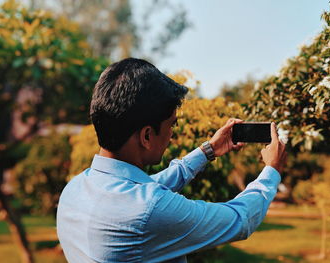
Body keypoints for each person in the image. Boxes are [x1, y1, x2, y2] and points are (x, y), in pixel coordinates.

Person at [56, 58, 287, 263]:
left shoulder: (73, 190)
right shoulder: (149, 210)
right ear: (147, 136)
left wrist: (209, 149)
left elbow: (150, 188)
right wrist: (272, 170)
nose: (172, 134)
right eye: (172, 125)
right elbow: (240, 220)